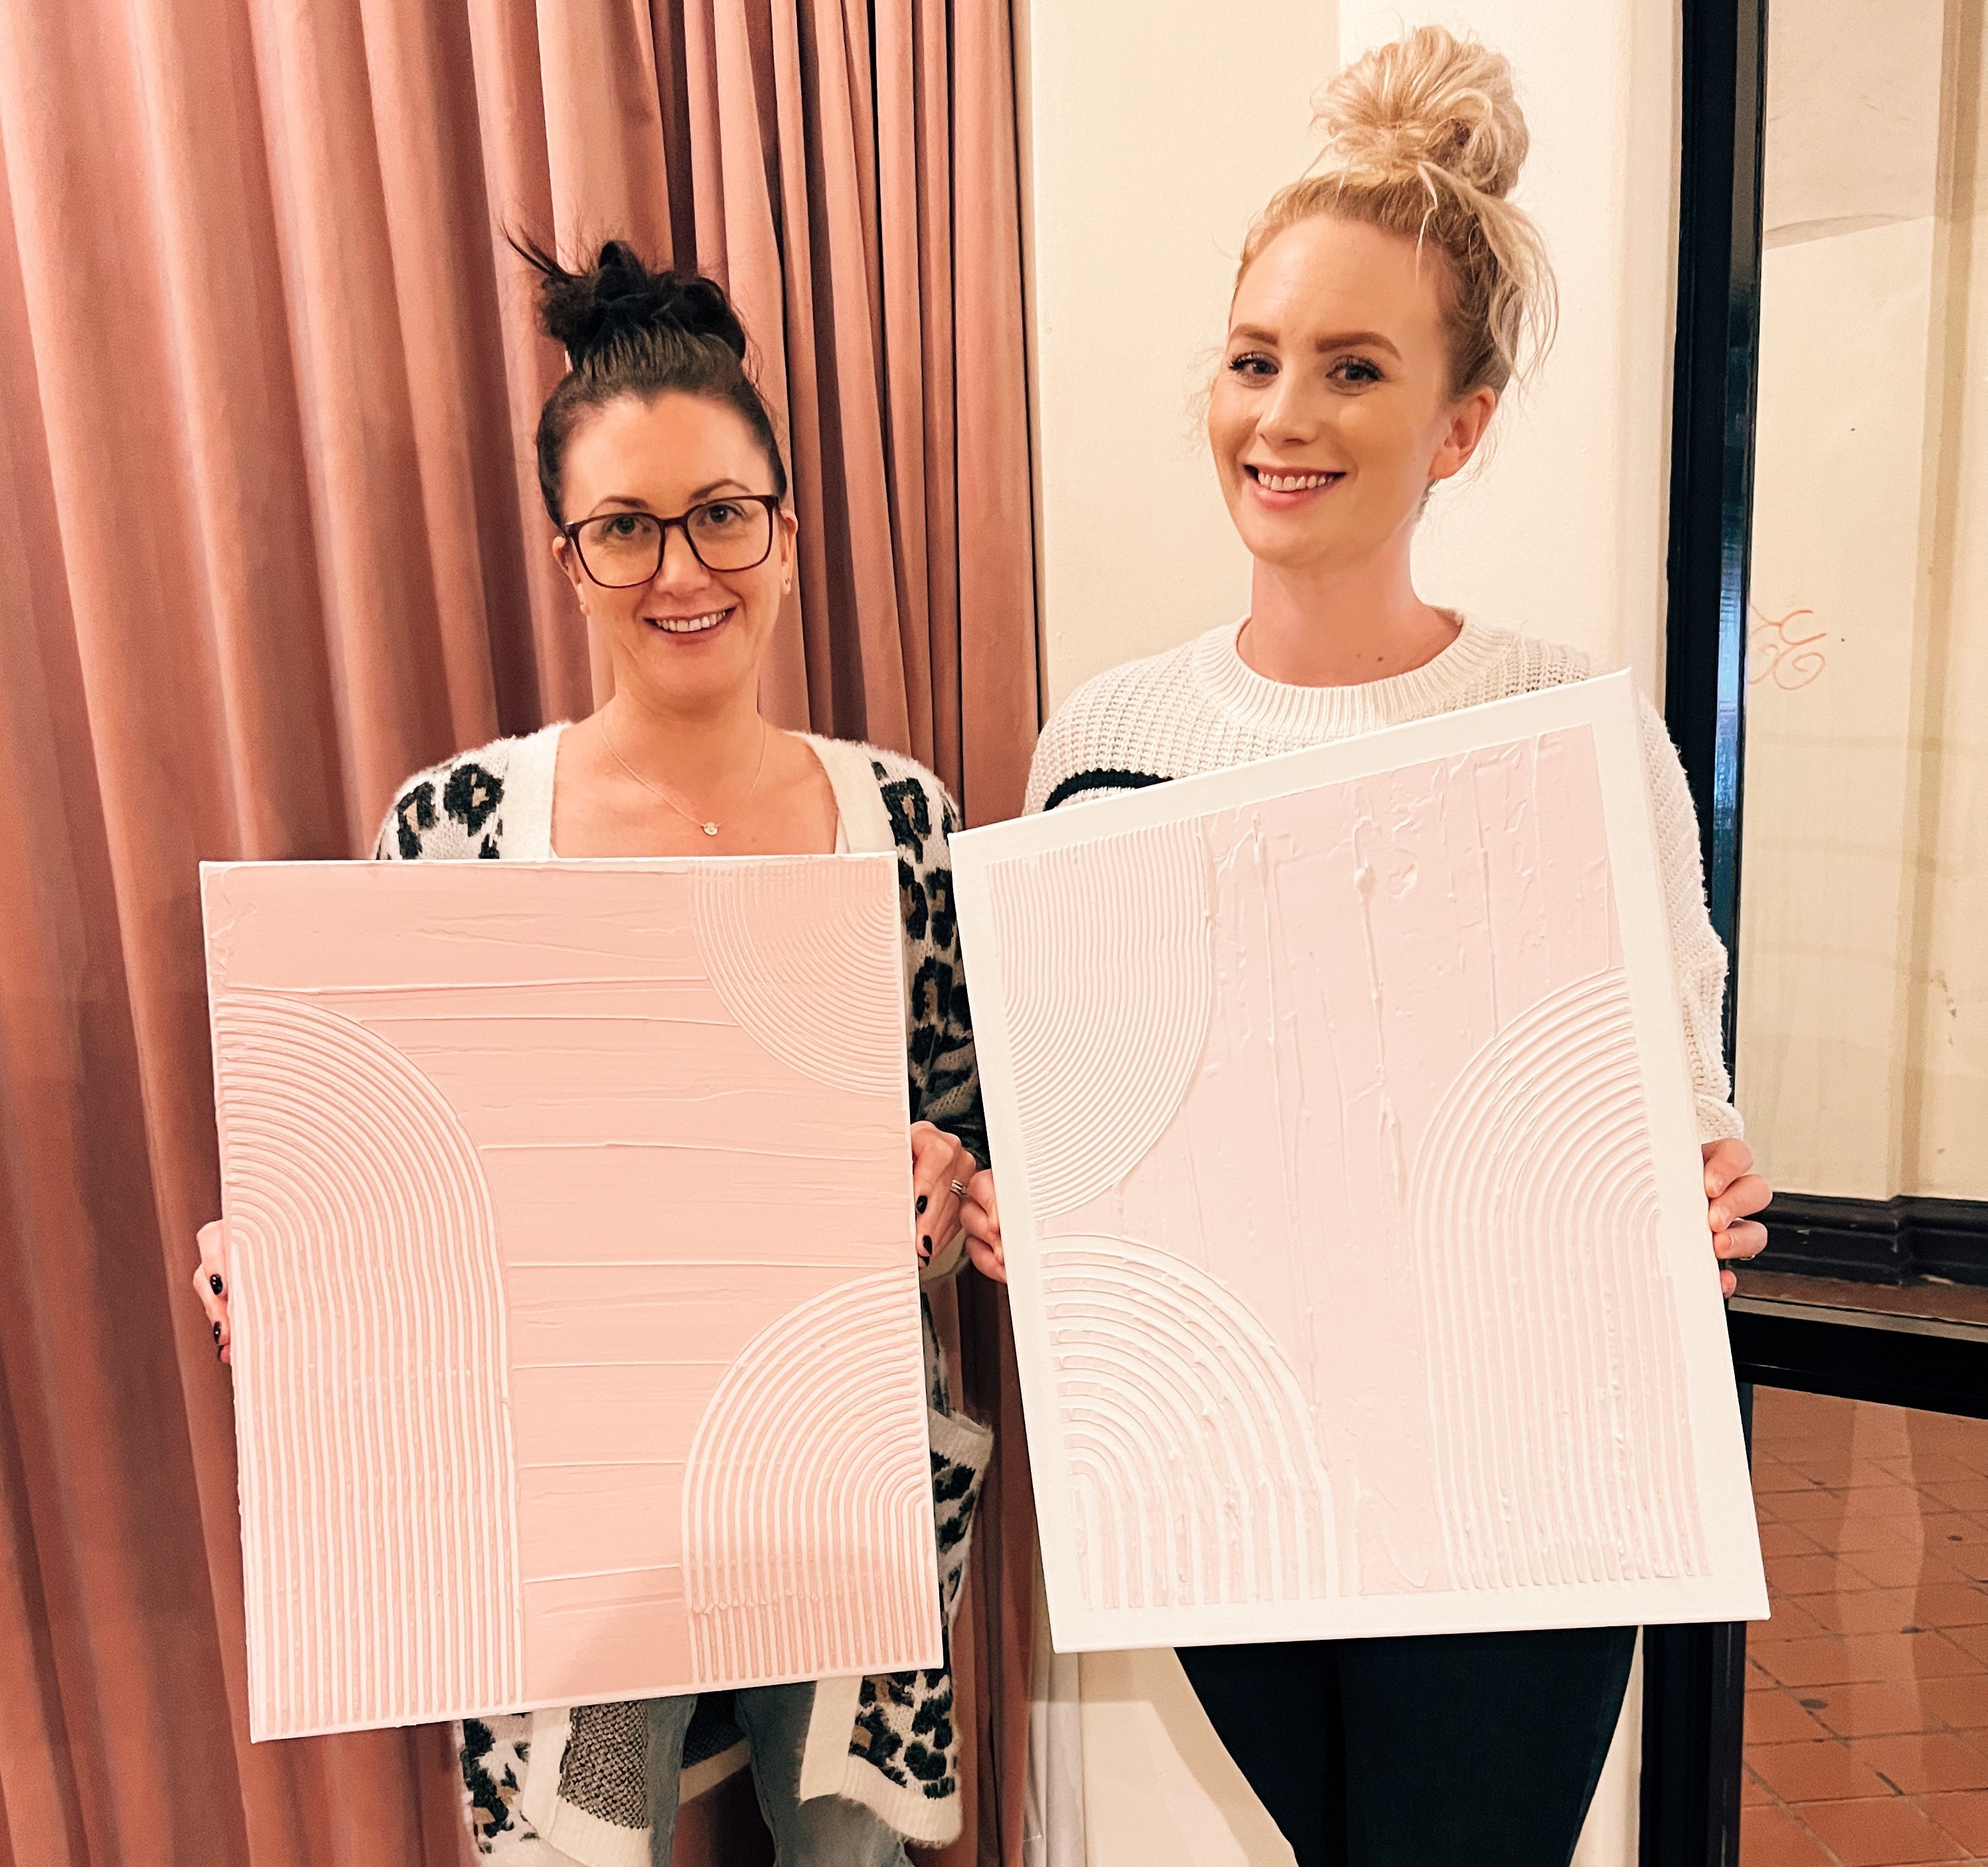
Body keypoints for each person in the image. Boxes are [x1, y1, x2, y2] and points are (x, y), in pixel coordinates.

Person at [958, 27, 1772, 1867]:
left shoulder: (1573, 726)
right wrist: (1036, 1214)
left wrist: (1697, 1199)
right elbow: (1100, 1116)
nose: (1281, 416)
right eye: (1253, 360)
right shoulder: (1101, 739)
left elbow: (1680, 1106)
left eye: (1351, 369)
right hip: (1237, 1481)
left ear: (1458, 424)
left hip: (1519, 1500)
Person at [194, 240, 994, 1867]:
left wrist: (945, 1171)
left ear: (784, 527)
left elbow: (978, 1132)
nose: (679, 567)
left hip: (829, 1464)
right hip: (563, 1486)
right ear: (569, 558)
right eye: (624, 526)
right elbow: (392, 1156)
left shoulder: (902, 817)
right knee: (577, 1846)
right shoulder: (461, 827)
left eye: (720, 512)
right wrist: (286, 1259)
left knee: (840, 1843)